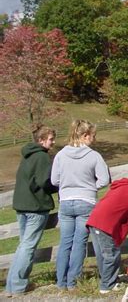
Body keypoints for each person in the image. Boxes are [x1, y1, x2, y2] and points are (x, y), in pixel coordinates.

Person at [51, 119, 110, 290]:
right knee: (79, 243)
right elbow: (104, 179)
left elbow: (54, 180)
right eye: (93, 135)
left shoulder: (60, 155)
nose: (94, 139)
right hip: (86, 201)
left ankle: (60, 282)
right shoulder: (93, 156)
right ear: (85, 135)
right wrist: (91, 186)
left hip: (66, 201)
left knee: (65, 242)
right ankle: (73, 281)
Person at [5, 126, 57, 296]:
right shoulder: (41, 157)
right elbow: (44, 182)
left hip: (22, 205)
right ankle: (19, 285)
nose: (53, 142)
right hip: (35, 206)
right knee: (28, 246)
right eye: (51, 139)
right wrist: (57, 186)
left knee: (23, 245)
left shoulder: (27, 155)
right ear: (41, 140)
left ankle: (11, 286)